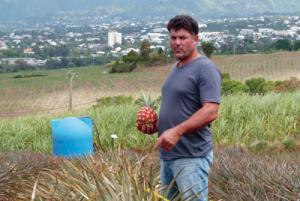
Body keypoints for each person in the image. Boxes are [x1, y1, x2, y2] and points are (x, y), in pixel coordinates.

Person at [156, 15, 221, 201]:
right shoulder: (176, 67)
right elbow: (180, 107)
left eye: (183, 38)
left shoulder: (205, 68)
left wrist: (176, 131)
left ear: (196, 39)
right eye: (173, 38)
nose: (177, 43)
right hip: (168, 156)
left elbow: (211, 110)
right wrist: (156, 125)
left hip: (191, 157)